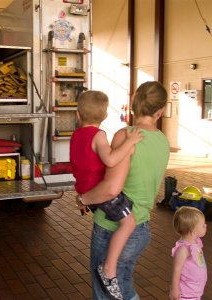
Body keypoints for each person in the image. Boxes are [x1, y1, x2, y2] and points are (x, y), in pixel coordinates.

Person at [76, 81, 170, 300]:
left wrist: (83, 199)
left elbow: (111, 189)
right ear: (161, 111)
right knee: (123, 286)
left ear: (134, 104)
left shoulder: (125, 136)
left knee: (105, 291)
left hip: (112, 226)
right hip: (140, 228)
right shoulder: (163, 141)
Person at [70, 90, 143, 300]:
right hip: (103, 193)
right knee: (129, 223)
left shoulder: (76, 135)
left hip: (84, 190)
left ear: (78, 114)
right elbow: (111, 160)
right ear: (104, 117)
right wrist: (130, 142)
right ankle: (109, 269)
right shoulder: (98, 135)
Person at [170, 206, 207, 300]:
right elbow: (176, 269)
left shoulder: (196, 241)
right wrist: (175, 289)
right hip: (185, 293)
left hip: (194, 290)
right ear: (193, 232)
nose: (206, 226)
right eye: (203, 225)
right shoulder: (183, 249)